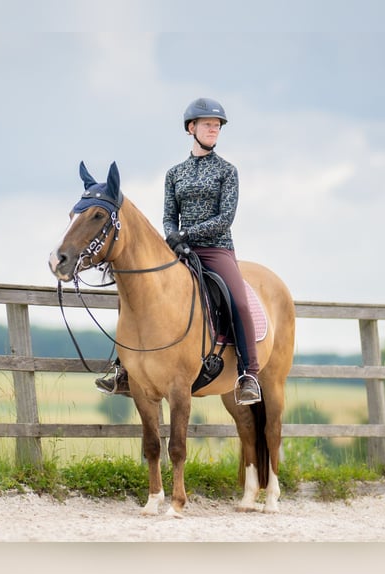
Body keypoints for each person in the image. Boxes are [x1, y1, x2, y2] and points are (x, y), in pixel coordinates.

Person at [96, 97, 261, 405]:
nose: (214, 130)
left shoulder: (227, 171)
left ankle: (248, 373)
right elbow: (169, 214)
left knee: (238, 301)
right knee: (133, 294)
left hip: (216, 250)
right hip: (180, 250)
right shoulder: (175, 173)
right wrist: (173, 236)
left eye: (217, 126)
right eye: (208, 125)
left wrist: (188, 233)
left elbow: (226, 218)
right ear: (191, 128)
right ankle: (123, 369)